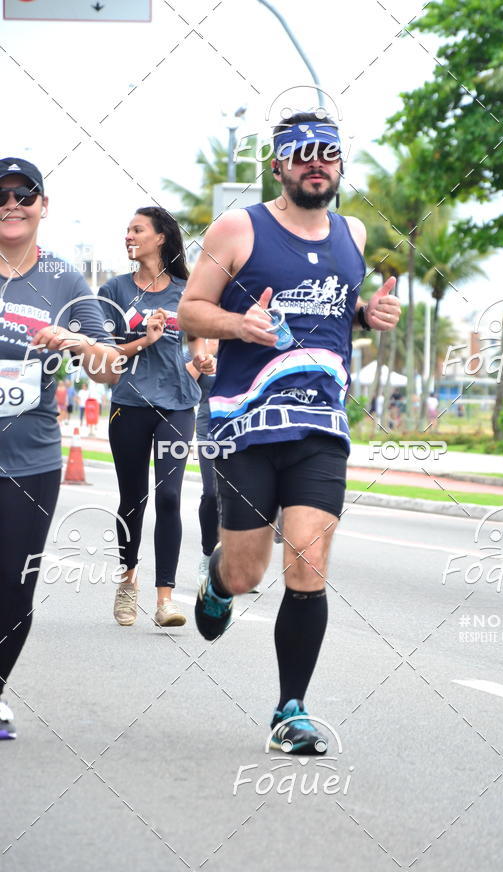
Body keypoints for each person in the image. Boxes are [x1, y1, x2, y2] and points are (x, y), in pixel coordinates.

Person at [178, 113, 400, 753]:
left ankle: (290, 710)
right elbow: (191, 308)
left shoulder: (352, 232)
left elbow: (333, 308)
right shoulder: (240, 227)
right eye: (301, 156)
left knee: (308, 559)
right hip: (244, 425)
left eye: (327, 156)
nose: (316, 165)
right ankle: (218, 581)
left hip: (320, 425)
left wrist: (367, 312)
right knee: (248, 573)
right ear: (277, 164)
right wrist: (237, 326)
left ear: (339, 165)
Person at [0, 157, 120, 740]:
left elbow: (110, 369)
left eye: (26, 194)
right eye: (3, 194)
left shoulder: (66, 280)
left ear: (44, 207)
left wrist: (75, 338)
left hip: (31, 458)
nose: (13, 203)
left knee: (14, 588)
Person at [99, 206, 205, 629]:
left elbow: (201, 343)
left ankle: (165, 600)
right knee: (133, 501)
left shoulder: (188, 289)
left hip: (178, 405)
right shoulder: (115, 290)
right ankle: (127, 583)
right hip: (129, 404)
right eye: (127, 230)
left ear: (160, 238)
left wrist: (200, 365)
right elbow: (102, 352)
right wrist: (145, 339)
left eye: (137, 230)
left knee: (170, 496)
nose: (129, 236)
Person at [192, 339, 219, 583]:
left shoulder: (245, 344)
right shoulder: (201, 347)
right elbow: (183, 383)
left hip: (243, 430)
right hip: (208, 430)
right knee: (211, 493)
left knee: (241, 497)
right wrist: (201, 360)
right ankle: (207, 555)